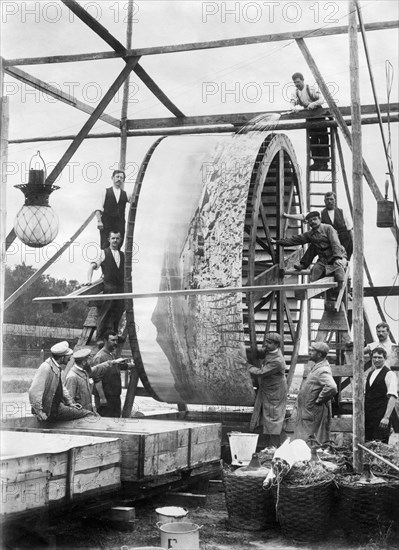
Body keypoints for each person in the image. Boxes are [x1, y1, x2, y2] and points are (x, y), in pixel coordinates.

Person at [276, 211, 347, 289]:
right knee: (315, 272)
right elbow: (296, 239)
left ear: (319, 219)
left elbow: (335, 243)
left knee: (339, 273)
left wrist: (337, 258)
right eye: (310, 221)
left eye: (314, 219)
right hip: (323, 259)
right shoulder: (310, 234)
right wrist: (279, 242)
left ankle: (342, 292)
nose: (312, 222)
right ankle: (304, 265)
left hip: (336, 255)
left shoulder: (328, 228)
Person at [29, 341, 94, 422]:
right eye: (68, 357)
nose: (70, 359)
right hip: (51, 410)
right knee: (89, 414)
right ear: (62, 358)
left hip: (57, 407)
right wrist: (39, 412)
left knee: (85, 412)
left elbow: (62, 388)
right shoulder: (46, 368)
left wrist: (70, 403)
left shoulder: (56, 367)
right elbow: (34, 391)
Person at [283, 192, 353, 261]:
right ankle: (303, 263)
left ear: (335, 200)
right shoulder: (321, 213)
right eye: (327, 199)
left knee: (342, 262)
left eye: (331, 199)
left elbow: (350, 230)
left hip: (343, 243)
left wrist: (352, 246)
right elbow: (304, 216)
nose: (329, 201)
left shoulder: (343, 212)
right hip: (328, 243)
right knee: (314, 244)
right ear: (324, 201)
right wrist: (288, 216)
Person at [247, 333, 287, 447]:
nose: (266, 345)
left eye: (269, 343)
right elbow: (261, 352)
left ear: (276, 344)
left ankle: (275, 447)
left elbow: (261, 372)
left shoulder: (278, 361)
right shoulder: (270, 351)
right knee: (268, 416)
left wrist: (246, 366)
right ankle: (270, 445)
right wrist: (248, 351)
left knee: (273, 417)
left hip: (275, 391)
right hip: (269, 388)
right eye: (266, 341)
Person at [294, 341, 337, 443]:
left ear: (319, 354)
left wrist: (320, 399)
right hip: (308, 411)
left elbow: (332, 387)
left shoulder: (322, 370)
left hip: (312, 412)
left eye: (312, 351)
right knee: (306, 439)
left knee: (309, 440)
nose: (310, 352)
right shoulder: (317, 367)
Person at [87, 230, 125, 342]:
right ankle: (100, 338)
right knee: (105, 312)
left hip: (120, 289)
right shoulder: (104, 253)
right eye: (113, 238)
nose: (115, 241)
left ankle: (114, 336)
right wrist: (89, 280)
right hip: (109, 287)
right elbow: (91, 267)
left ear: (120, 240)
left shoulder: (122, 255)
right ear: (109, 240)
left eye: (117, 238)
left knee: (118, 312)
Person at [290, 72, 329, 171]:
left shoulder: (310, 89)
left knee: (323, 138)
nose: (297, 84)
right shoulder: (296, 92)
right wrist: (293, 107)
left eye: (298, 82)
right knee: (313, 139)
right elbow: (292, 101)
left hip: (319, 114)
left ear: (302, 80)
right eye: (295, 83)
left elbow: (321, 100)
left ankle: (324, 163)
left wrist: (313, 104)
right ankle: (316, 162)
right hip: (309, 116)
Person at [91, 330, 130, 417]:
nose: (115, 342)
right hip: (106, 396)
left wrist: (134, 366)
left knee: (115, 420)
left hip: (115, 396)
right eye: (112, 340)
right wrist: (102, 397)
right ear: (105, 341)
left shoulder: (112, 355)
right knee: (105, 422)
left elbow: (119, 366)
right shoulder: (100, 357)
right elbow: (97, 380)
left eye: (116, 340)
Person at [365, 347, 397, 443]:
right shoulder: (371, 373)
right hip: (369, 417)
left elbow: (393, 397)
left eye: (380, 357)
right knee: (368, 444)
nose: (377, 360)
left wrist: (386, 417)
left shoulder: (389, 374)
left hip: (381, 418)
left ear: (385, 358)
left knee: (380, 445)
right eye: (374, 357)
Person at [95, 169, 130, 250]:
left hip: (119, 224)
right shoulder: (105, 191)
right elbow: (98, 208)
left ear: (123, 180)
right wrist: (99, 221)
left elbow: (134, 199)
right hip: (107, 224)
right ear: (112, 178)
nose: (119, 179)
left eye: (121, 177)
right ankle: (104, 262)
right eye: (117, 177)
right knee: (105, 246)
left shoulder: (126, 194)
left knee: (118, 246)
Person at [65, 348, 96, 412]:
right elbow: (70, 402)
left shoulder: (84, 372)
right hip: (79, 416)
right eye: (89, 359)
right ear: (84, 362)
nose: (91, 361)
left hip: (87, 413)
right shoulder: (72, 377)